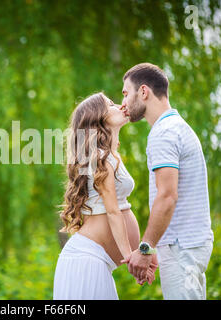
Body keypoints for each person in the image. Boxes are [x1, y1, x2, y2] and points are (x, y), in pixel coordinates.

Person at [120, 63, 214, 300]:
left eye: (125, 93)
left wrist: (146, 247)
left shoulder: (163, 133)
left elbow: (167, 196)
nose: (123, 103)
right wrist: (155, 247)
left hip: (181, 249)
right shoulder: (176, 127)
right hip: (186, 246)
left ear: (143, 92)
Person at [53, 92, 157, 300]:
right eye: (110, 104)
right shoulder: (100, 157)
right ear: (97, 117)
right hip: (87, 262)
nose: (120, 106)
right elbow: (112, 211)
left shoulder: (107, 155)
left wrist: (143, 253)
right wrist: (131, 257)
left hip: (95, 262)